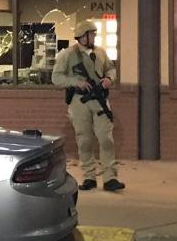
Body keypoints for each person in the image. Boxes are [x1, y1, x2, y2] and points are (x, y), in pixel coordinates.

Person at [52, 21, 123, 192]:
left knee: (106, 138)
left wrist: (109, 79)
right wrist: (76, 82)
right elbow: (56, 78)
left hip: (99, 99)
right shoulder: (68, 55)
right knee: (84, 140)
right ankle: (89, 176)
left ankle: (110, 177)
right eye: (91, 34)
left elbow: (111, 69)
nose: (94, 37)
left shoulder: (100, 52)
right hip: (79, 101)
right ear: (82, 36)